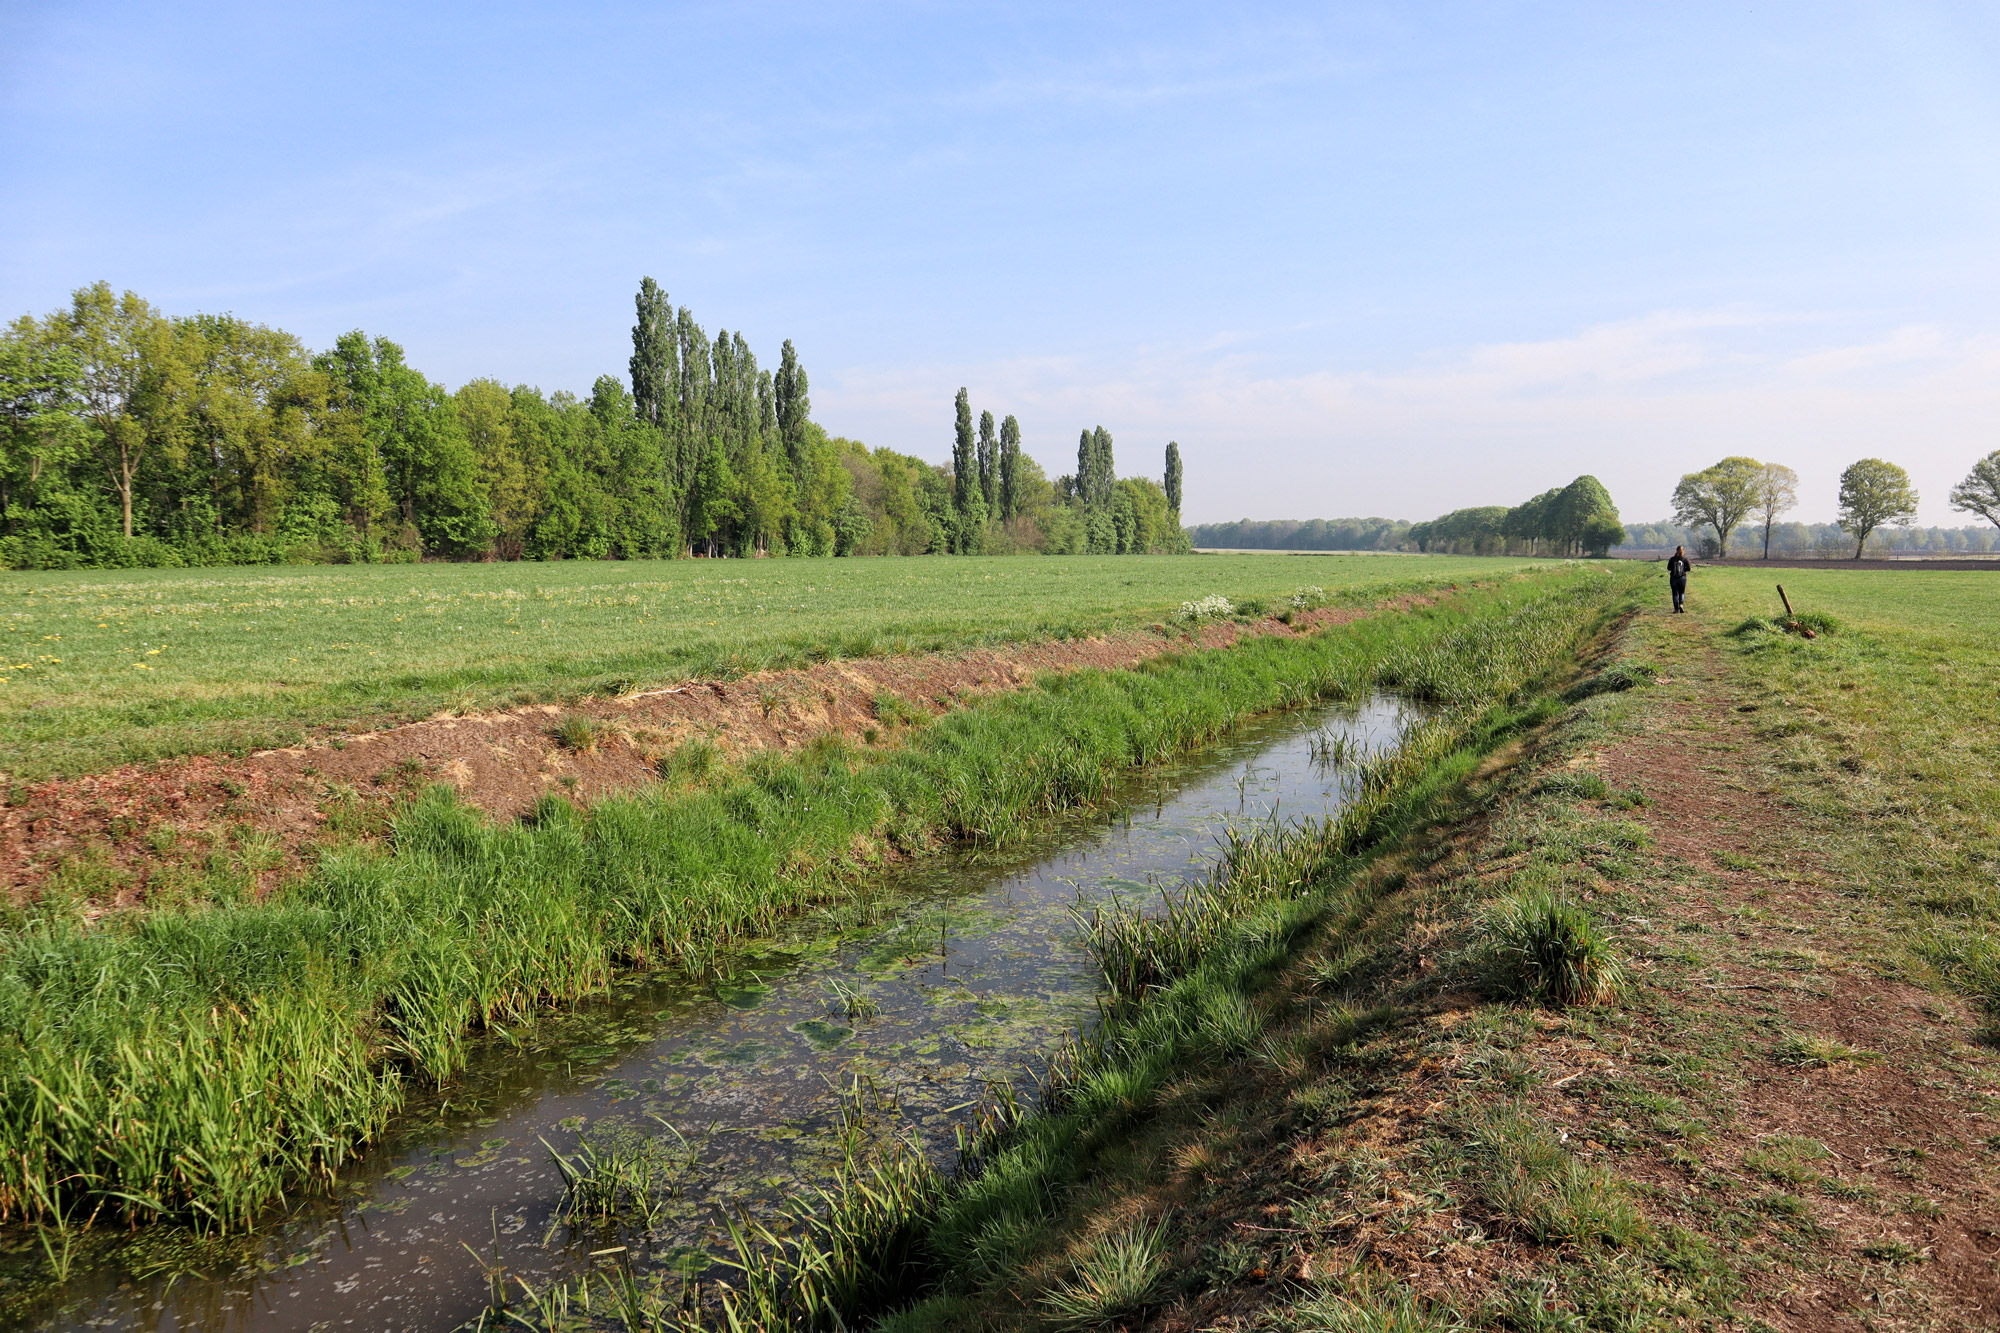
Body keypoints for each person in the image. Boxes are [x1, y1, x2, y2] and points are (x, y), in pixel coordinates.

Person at [1666, 545, 1692, 613]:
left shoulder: (1672, 559)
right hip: (1682, 578)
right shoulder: (1685, 559)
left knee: (1675, 593)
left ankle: (1676, 609)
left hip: (1673, 578)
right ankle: (1681, 604)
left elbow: (1668, 568)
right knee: (1682, 592)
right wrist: (1684, 569)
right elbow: (1689, 569)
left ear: (1676, 551)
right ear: (1683, 551)